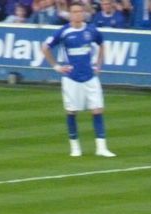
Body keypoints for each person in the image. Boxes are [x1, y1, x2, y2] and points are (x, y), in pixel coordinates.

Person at [41, 2, 115, 158]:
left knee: (97, 110)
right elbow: (45, 47)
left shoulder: (91, 30)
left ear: (83, 13)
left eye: (80, 12)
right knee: (72, 111)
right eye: (74, 12)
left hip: (90, 76)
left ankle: (101, 147)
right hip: (71, 78)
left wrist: (99, 65)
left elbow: (102, 45)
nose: (77, 15)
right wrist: (56, 66)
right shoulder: (63, 32)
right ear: (70, 14)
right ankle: (75, 146)